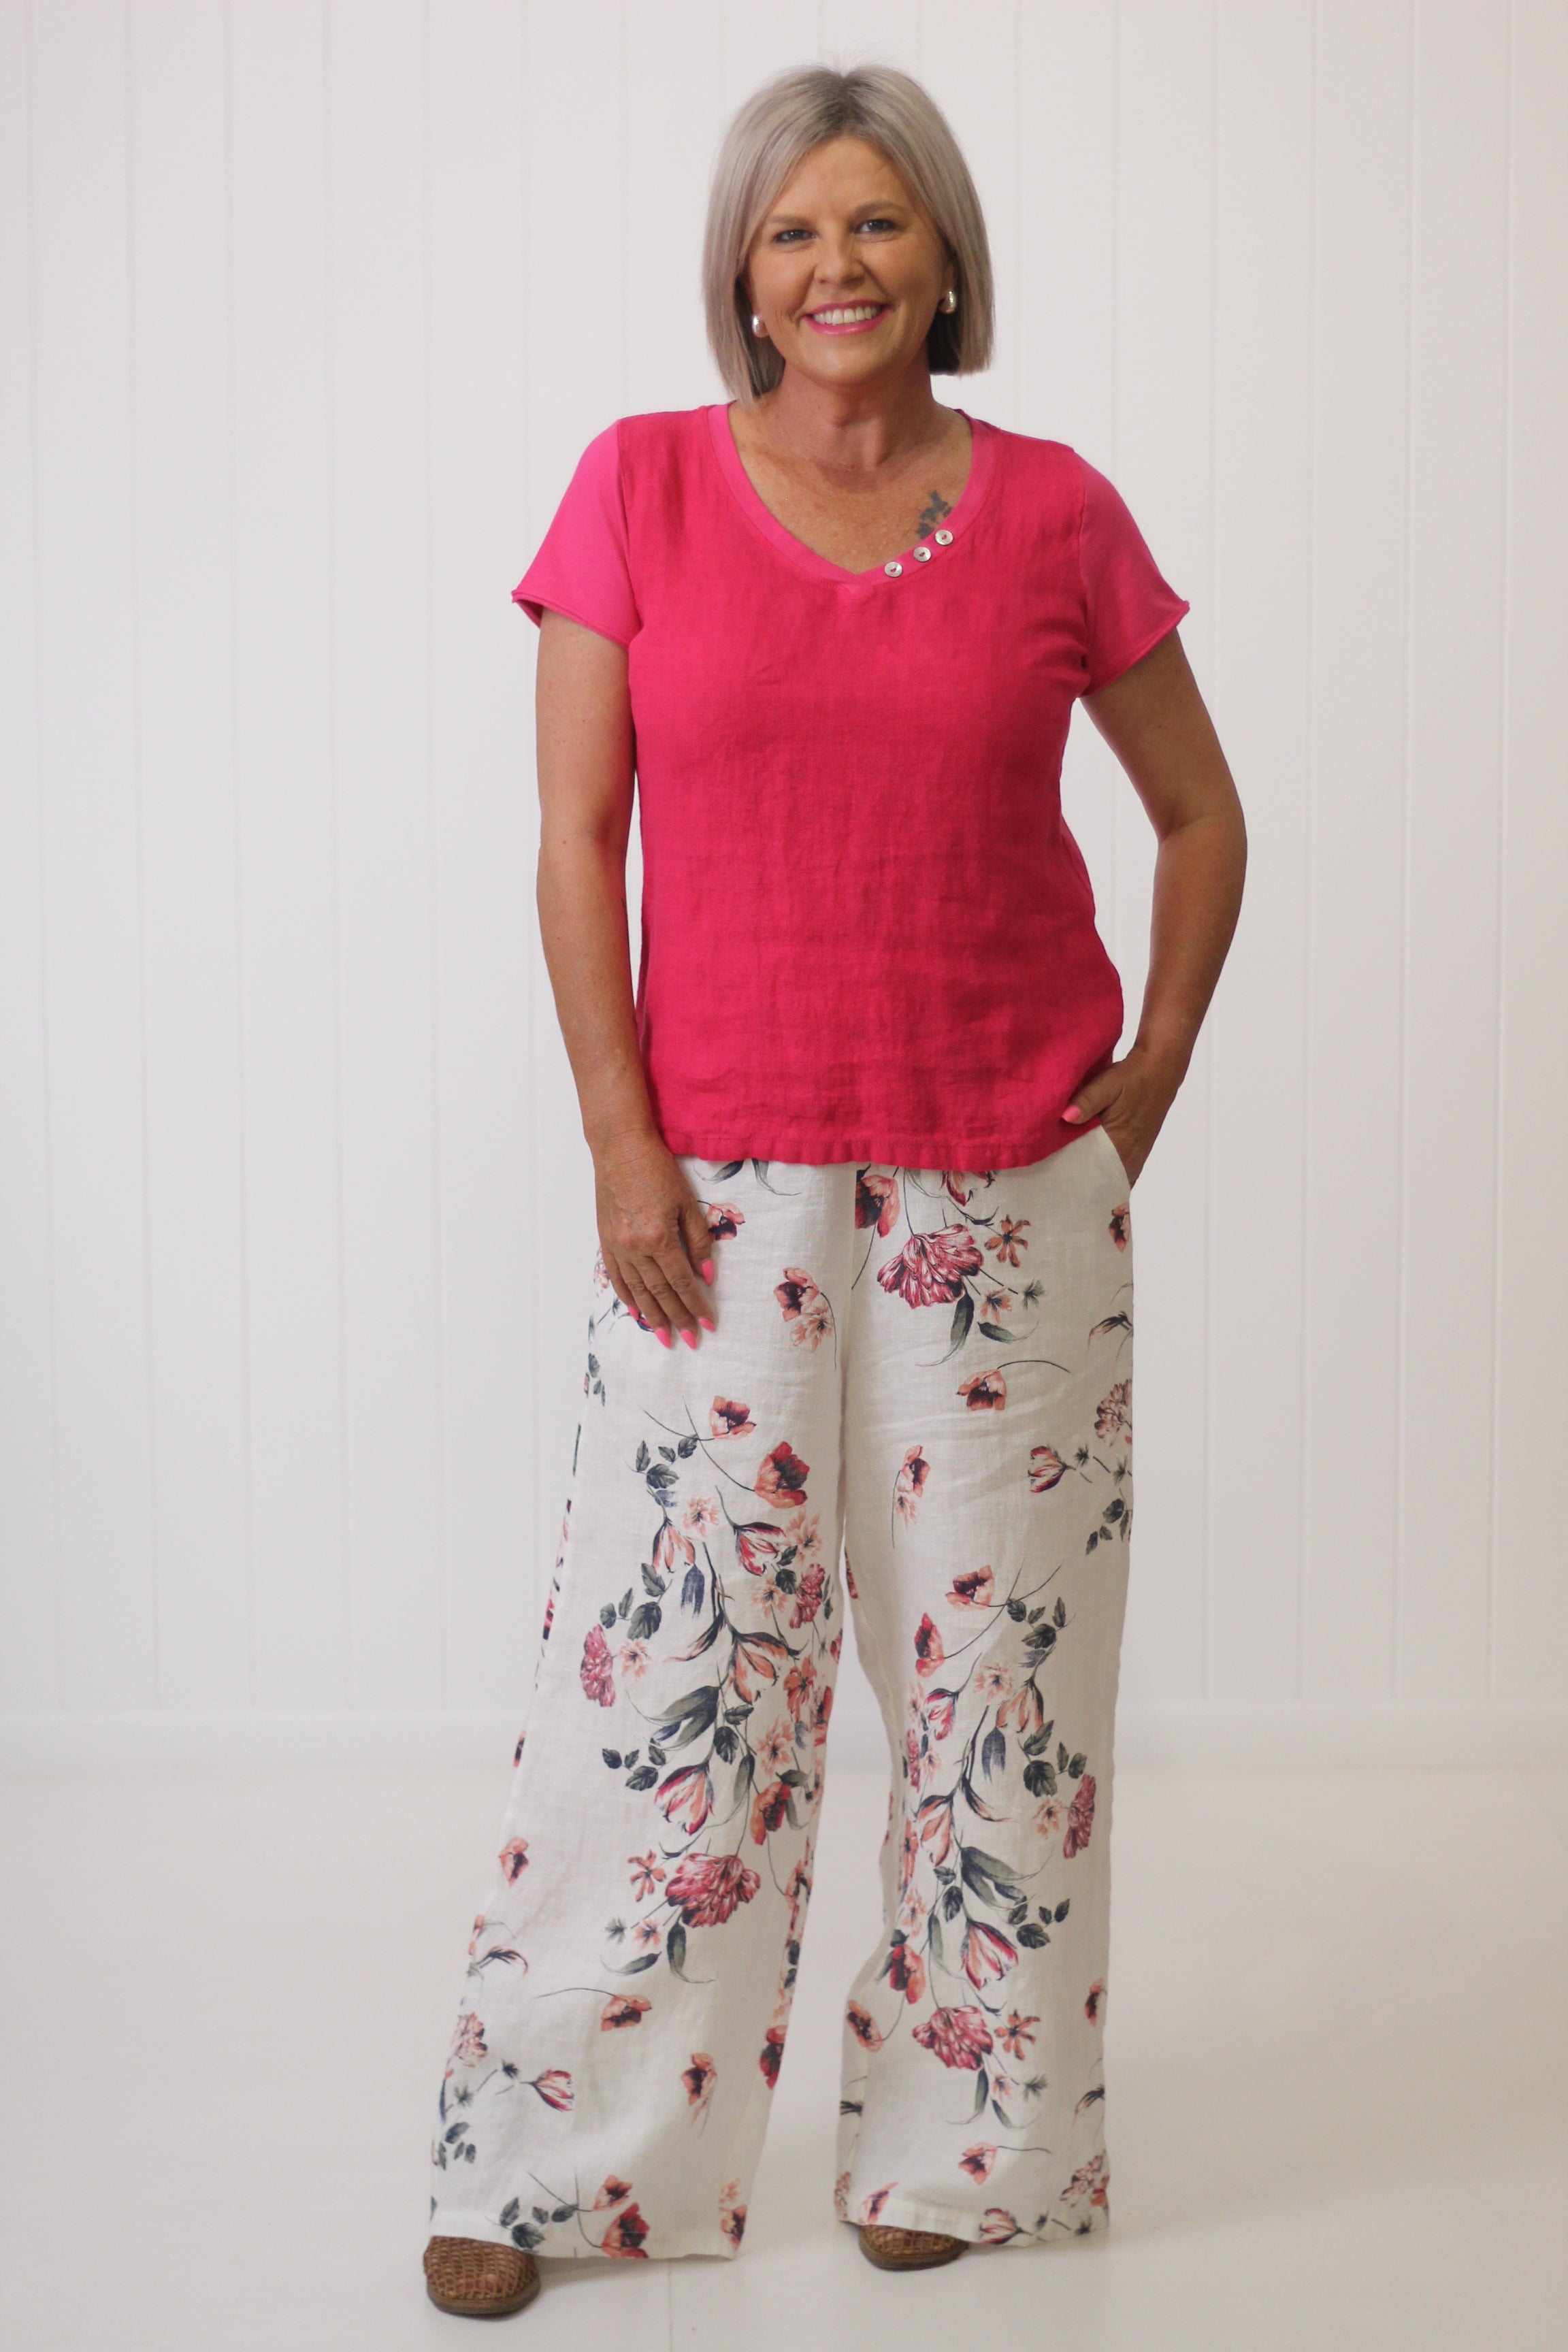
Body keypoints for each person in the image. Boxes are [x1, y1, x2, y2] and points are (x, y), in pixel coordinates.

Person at [423, 60, 1245, 2319]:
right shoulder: (640, 487)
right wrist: (618, 1136)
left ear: (947, 257)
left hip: (1008, 1191)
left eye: (877, 222)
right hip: (719, 1187)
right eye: (792, 231)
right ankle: (567, 2163)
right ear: (742, 273)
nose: (836, 266)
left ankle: (980, 2150)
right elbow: (575, 840)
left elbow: (1201, 816)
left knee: (1002, 1691)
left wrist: (1151, 1073)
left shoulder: (1059, 513)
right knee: (671, 1681)